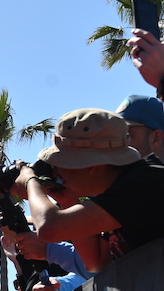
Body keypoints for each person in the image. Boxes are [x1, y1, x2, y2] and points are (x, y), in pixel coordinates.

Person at [18, 109, 164, 274]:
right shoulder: (120, 188)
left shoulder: (143, 185)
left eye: (61, 163)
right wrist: (67, 200)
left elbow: (49, 229)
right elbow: (95, 262)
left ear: (90, 164)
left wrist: (30, 181)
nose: (57, 173)